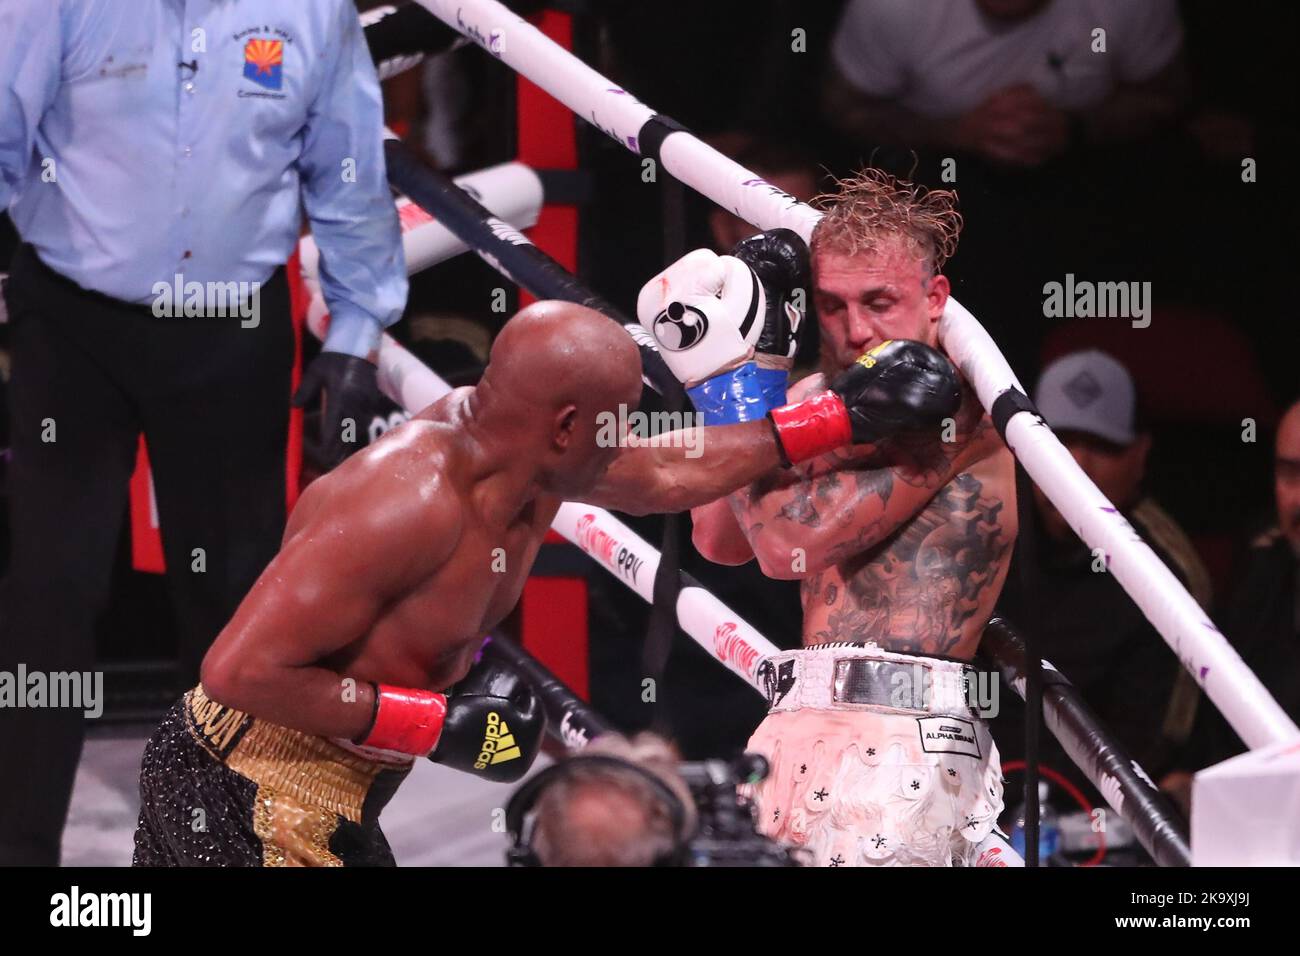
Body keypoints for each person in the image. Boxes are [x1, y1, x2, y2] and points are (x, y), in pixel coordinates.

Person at [133, 297, 958, 866]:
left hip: (324, 785)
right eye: (620, 418)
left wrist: (835, 417)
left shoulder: (526, 453)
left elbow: (665, 474)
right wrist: (434, 723)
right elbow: (235, 671)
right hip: (251, 787)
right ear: (569, 425)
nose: (630, 434)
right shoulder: (401, 500)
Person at [0, 0, 409, 866]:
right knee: (48, 594)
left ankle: (222, 849)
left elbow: (346, 169)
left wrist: (354, 339)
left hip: (232, 328)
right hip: (73, 324)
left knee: (237, 606)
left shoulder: (309, 10)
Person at [643, 169, 1018, 866]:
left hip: (906, 732)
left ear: (934, 297)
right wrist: (738, 378)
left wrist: (738, 404)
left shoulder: (955, 407)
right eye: (834, 305)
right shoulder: (810, 394)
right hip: (794, 715)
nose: (856, 329)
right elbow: (720, 540)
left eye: (881, 302)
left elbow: (787, 545)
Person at [994, 349, 1211, 816]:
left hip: (1092, 824)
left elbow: (1152, 752)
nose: (1077, 464)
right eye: (1058, 440)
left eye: (1103, 446)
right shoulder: (986, 532)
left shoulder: (1167, 576)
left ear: (1140, 454)